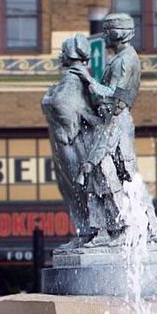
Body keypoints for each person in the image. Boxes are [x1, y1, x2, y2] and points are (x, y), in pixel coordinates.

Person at [71, 12, 157, 246]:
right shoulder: (121, 57)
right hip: (111, 118)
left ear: (117, 34)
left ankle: (136, 227)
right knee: (109, 176)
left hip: (116, 120)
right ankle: (109, 230)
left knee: (123, 176)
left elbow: (114, 95)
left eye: (107, 31)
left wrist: (88, 80)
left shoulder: (126, 60)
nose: (103, 35)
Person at [41, 35, 101, 247]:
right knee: (74, 188)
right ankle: (85, 232)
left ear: (69, 55)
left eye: (63, 52)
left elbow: (59, 103)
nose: (60, 55)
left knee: (78, 188)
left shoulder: (73, 79)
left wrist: (47, 98)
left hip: (70, 142)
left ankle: (90, 231)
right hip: (67, 142)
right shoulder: (76, 78)